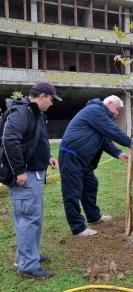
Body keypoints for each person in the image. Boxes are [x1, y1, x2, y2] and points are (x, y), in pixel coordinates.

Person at [2, 82, 62, 279]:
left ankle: (30, 255)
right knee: (27, 220)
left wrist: (47, 157)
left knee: (33, 218)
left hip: (35, 173)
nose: (52, 104)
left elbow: (34, 141)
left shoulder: (36, 114)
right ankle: (28, 265)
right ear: (43, 96)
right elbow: (10, 140)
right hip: (25, 176)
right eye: (52, 100)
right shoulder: (22, 112)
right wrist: (19, 171)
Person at [59, 95, 133, 236]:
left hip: (83, 160)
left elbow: (105, 140)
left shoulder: (99, 116)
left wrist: (118, 153)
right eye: (117, 108)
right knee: (72, 193)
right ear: (109, 103)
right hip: (71, 156)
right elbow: (111, 130)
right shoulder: (94, 110)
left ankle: (93, 217)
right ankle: (78, 228)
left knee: (90, 185)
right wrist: (130, 143)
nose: (117, 113)